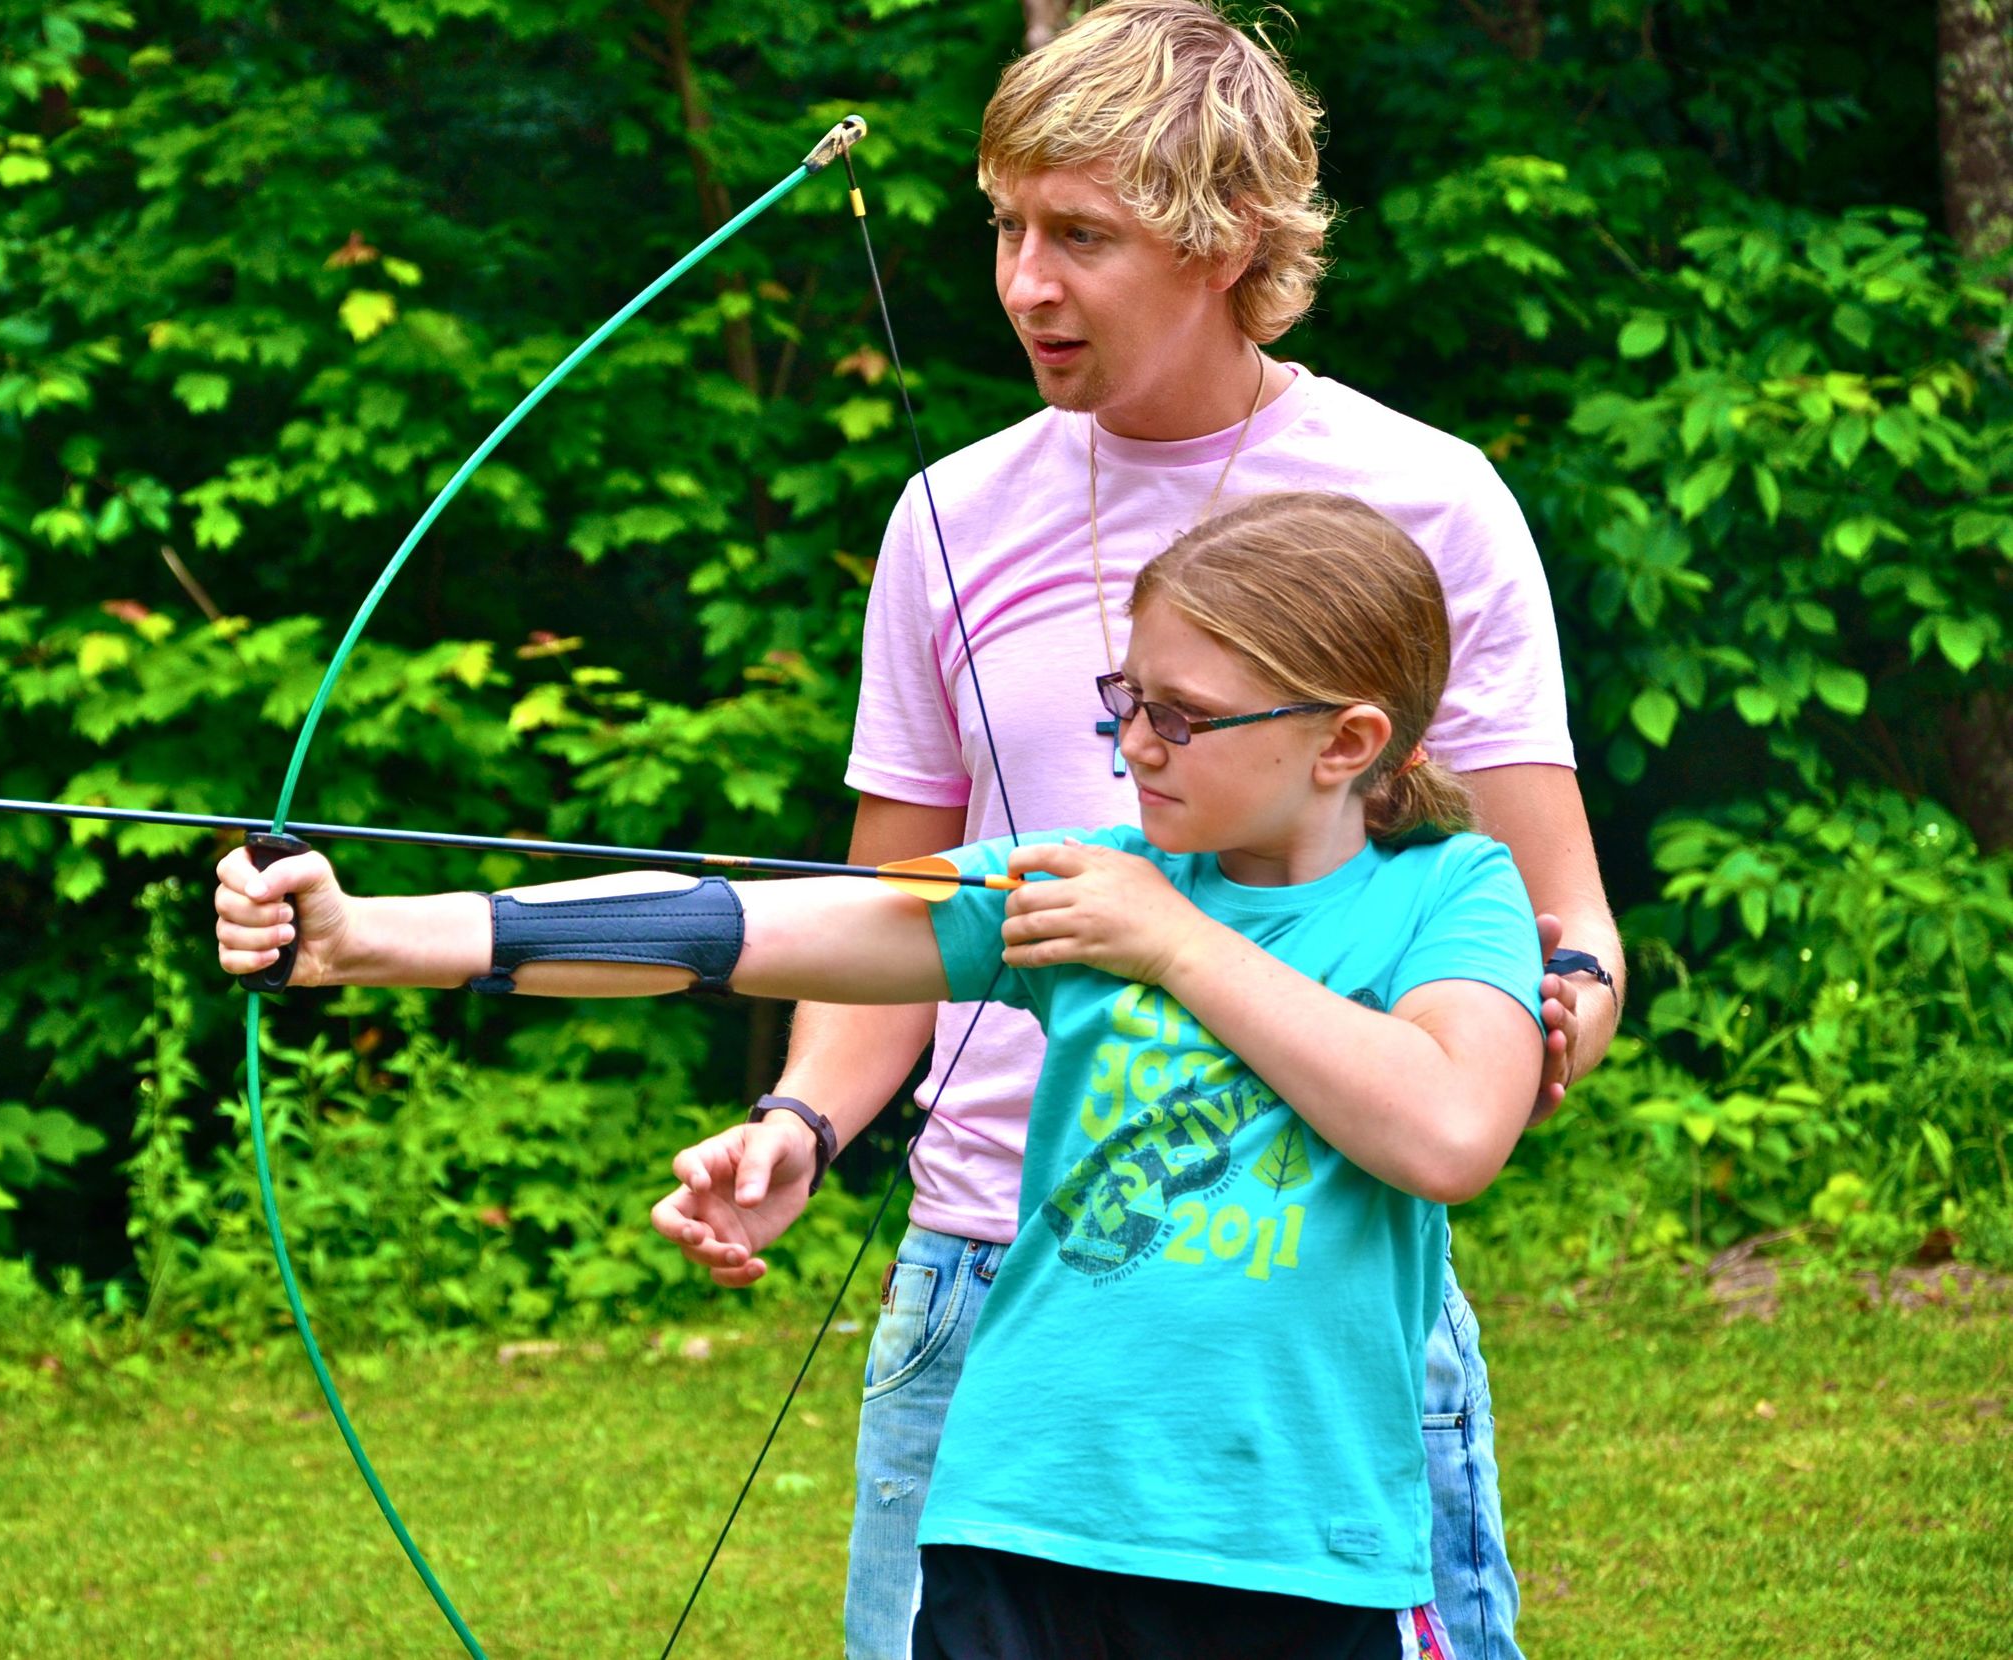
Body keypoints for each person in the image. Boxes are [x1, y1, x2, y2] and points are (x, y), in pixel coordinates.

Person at [647, 4, 1623, 1656]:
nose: (1025, 281)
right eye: (1006, 225)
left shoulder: (1428, 498)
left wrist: (1562, 1004)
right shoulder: (950, 513)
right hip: (984, 1270)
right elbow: (889, 914)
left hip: (1300, 1278)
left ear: (1227, 235)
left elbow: (1558, 914)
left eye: (1080, 234)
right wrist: (803, 1126)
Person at [215, 493, 1547, 1659]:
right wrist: (370, 936)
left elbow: (1447, 1130)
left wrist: (1177, 945)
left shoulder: (1448, 892)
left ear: (1347, 740)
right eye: (1126, 699)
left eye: (1185, 717)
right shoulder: (1080, 882)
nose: (1136, 743)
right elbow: (741, 928)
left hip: (1293, 1548)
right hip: (1017, 1517)